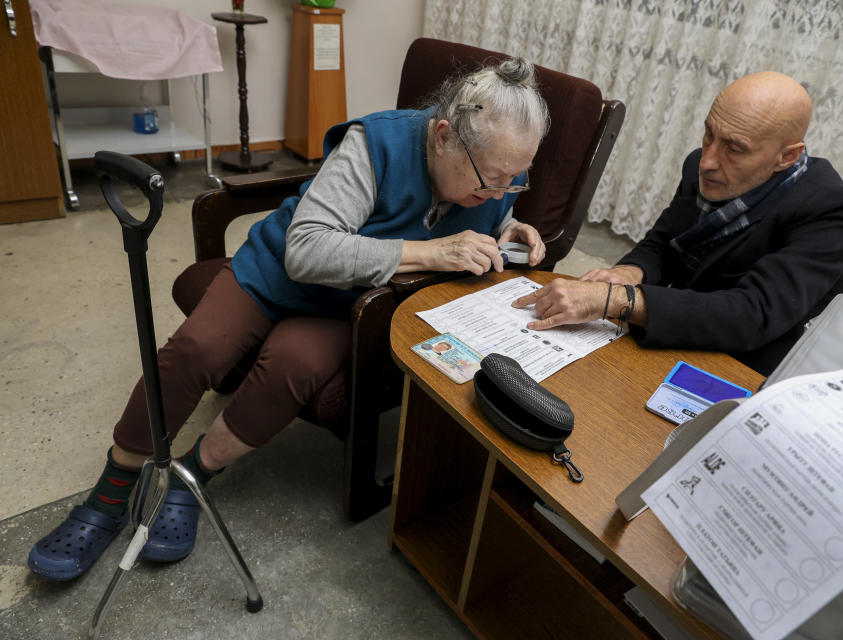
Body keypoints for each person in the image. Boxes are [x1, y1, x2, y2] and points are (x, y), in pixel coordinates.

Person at [29, 58, 550, 581]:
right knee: (199, 348)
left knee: (294, 365)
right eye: (493, 178)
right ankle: (113, 487)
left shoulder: (490, 179)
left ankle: (194, 473)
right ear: (443, 137)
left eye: (516, 179)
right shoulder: (376, 147)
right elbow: (306, 251)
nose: (501, 189)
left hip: (347, 305)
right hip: (279, 273)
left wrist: (510, 225)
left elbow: (487, 207)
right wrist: (431, 253)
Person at [513, 71, 843, 376]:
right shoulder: (702, 167)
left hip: (743, 362)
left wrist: (618, 299)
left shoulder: (832, 210)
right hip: (676, 327)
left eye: (734, 148)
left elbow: (752, 314)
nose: (708, 160)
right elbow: (663, 243)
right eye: (709, 134)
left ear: (787, 156)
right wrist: (629, 274)